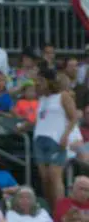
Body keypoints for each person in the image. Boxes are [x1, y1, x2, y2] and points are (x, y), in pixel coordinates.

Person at [34, 68, 76, 209]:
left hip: (56, 139)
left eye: (41, 80)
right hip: (39, 139)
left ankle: (61, 212)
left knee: (54, 176)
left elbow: (73, 117)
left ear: (49, 81)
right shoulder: (42, 99)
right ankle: (52, 209)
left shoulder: (63, 96)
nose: (37, 83)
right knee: (45, 179)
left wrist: (65, 136)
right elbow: (42, 118)